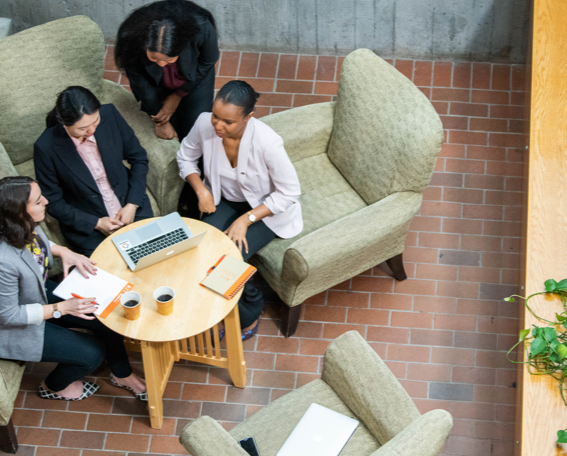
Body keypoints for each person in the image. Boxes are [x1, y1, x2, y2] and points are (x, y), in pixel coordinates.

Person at [0, 176, 147, 401]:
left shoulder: (21, 226)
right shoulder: (3, 261)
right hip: (12, 326)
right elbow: (9, 315)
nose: (47, 202)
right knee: (92, 353)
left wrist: (62, 251)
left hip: (35, 296)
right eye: (39, 201)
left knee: (105, 315)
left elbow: (37, 244)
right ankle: (52, 386)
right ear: (19, 212)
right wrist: (61, 308)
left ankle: (122, 373)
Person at [176, 80, 303, 340]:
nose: (218, 126)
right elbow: (185, 156)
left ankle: (250, 311)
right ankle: (216, 305)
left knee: (230, 257)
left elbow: (289, 192)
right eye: (215, 117)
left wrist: (247, 219)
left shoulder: (268, 143)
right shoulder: (203, 123)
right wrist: (201, 189)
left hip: (266, 211)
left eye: (228, 122)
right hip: (226, 199)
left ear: (248, 117)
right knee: (203, 249)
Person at [34, 86, 153, 257]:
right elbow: (52, 201)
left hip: (132, 206)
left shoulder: (109, 114)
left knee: (156, 257)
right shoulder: (45, 147)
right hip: (88, 227)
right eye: (83, 129)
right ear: (64, 123)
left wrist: (132, 204)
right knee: (112, 276)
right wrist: (96, 223)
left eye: (95, 121)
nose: (92, 132)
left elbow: (139, 158)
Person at [115, 0, 218, 142]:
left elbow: (207, 62)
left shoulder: (202, 27)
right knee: (170, 127)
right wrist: (160, 120)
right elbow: (142, 85)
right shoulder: (130, 38)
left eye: (169, 60)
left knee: (196, 127)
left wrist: (177, 96)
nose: (162, 65)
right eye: (154, 59)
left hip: (195, 78)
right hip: (154, 83)